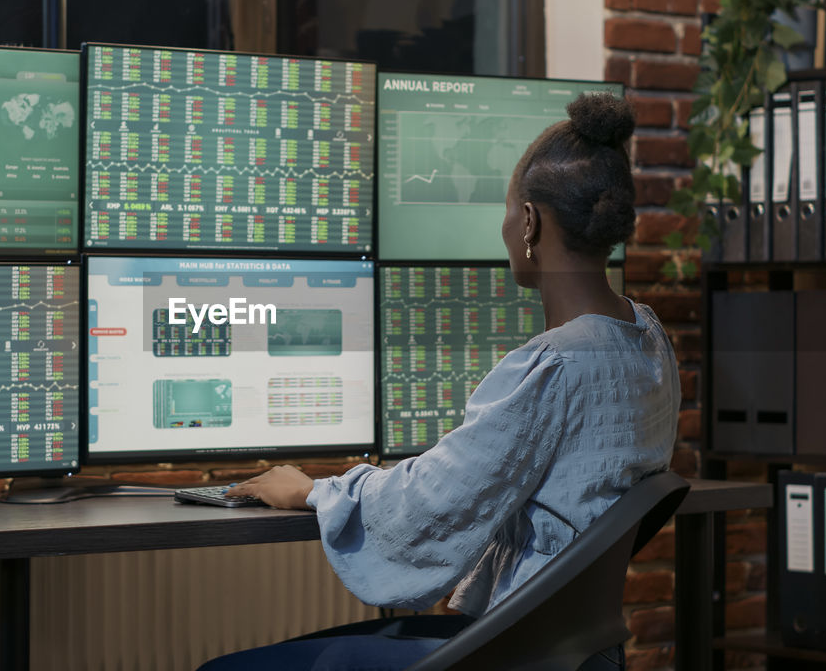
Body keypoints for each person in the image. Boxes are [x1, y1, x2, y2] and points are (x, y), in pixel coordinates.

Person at [200, 93, 679, 671]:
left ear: (528, 222)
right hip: (579, 651)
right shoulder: (648, 339)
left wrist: (311, 490)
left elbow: (424, 505)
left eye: (507, 211)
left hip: (513, 656)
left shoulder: (553, 365)